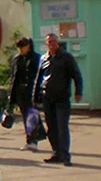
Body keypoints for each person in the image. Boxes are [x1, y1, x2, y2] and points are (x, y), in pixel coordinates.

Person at [33, 33, 83, 166]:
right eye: (49, 42)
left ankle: (65, 155)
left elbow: (76, 75)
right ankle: (56, 153)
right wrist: (35, 97)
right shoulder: (44, 59)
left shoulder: (66, 57)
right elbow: (38, 79)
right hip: (47, 98)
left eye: (54, 41)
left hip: (62, 98)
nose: (52, 44)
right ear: (46, 44)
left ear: (58, 43)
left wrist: (79, 92)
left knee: (62, 127)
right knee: (51, 127)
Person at [8, 37, 40, 151]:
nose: (21, 49)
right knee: (26, 116)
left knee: (32, 116)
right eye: (19, 47)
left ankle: (33, 140)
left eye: (23, 46)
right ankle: (30, 140)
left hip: (32, 92)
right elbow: (14, 77)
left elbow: (38, 76)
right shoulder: (18, 59)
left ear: (29, 46)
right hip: (20, 92)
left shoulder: (36, 58)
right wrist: (11, 94)